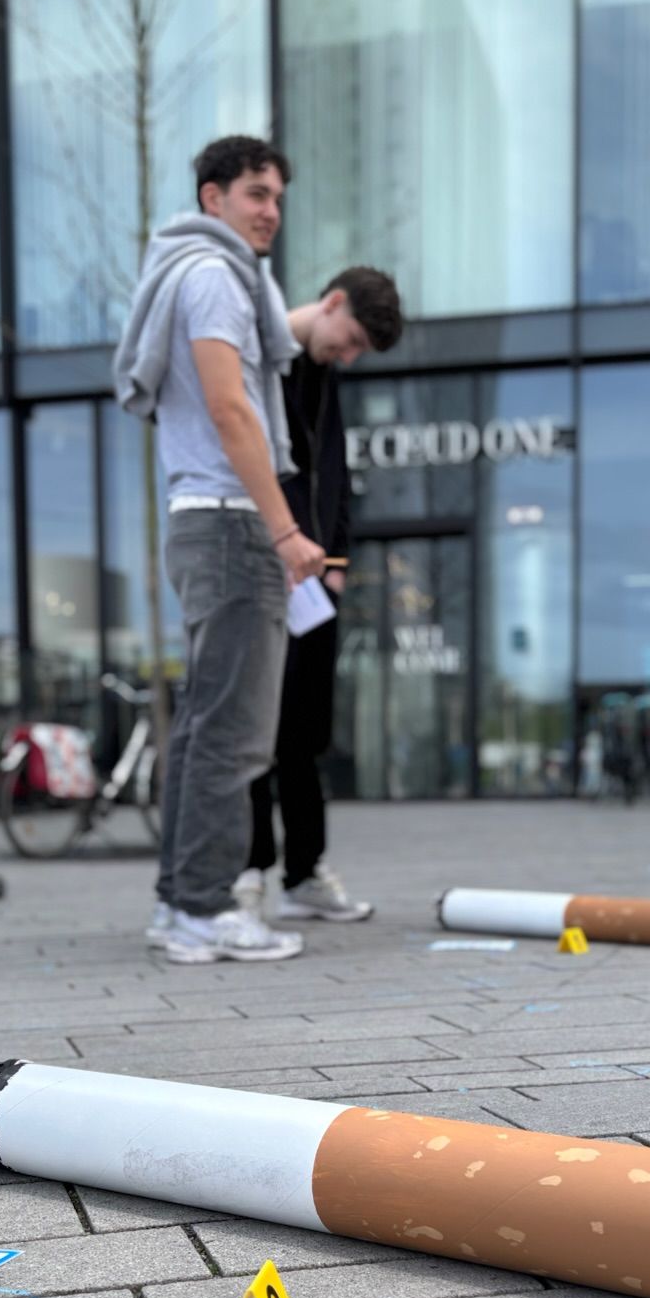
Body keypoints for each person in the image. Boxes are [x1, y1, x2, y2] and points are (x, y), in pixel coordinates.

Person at [115, 134, 326, 966]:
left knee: (207, 729)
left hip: (209, 522)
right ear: (213, 198)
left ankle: (179, 905)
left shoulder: (200, 273)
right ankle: (204, 910)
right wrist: (284, 529)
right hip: (233, 525)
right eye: (255, 195)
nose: (271, 212)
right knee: (234, 736)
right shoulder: (214, 278)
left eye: (277, 198)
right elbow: (231, 407)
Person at [235, 266, 404, 926]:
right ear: (332, 303)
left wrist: (335, 564)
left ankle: (303, 874)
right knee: (256, 728)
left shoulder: (325, 375)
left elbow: (334, 473)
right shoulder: (259, 356)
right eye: (351, 339)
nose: (349, 355)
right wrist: (272, 545)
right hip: (263, 570)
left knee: (306, 733)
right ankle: (249, 870)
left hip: (314, 584)